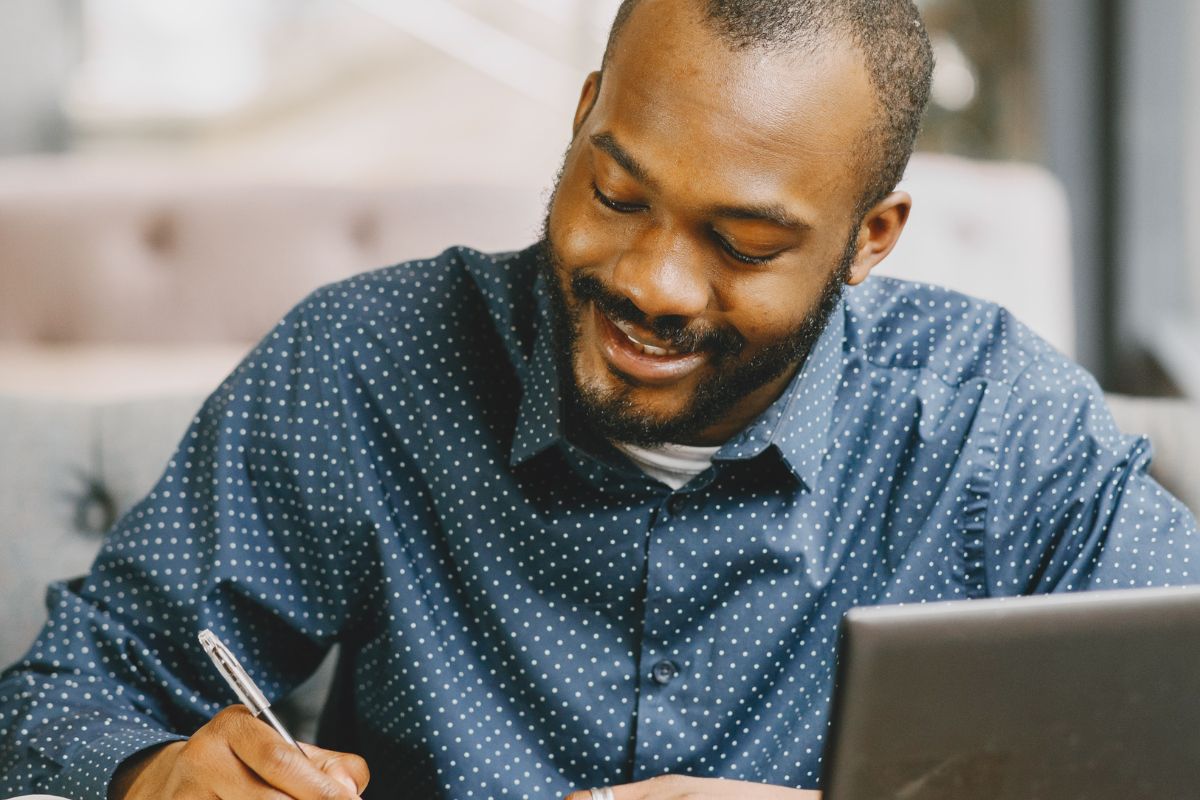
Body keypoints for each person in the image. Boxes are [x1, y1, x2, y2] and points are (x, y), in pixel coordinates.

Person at [2, 0, 1197, 798]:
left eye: (742, 243)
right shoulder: (367, 365)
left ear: (869, 238)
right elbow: (56, 699)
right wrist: (149, 773)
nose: (650, 283)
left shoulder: (999, 426)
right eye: (618, 194)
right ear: (582, 121)